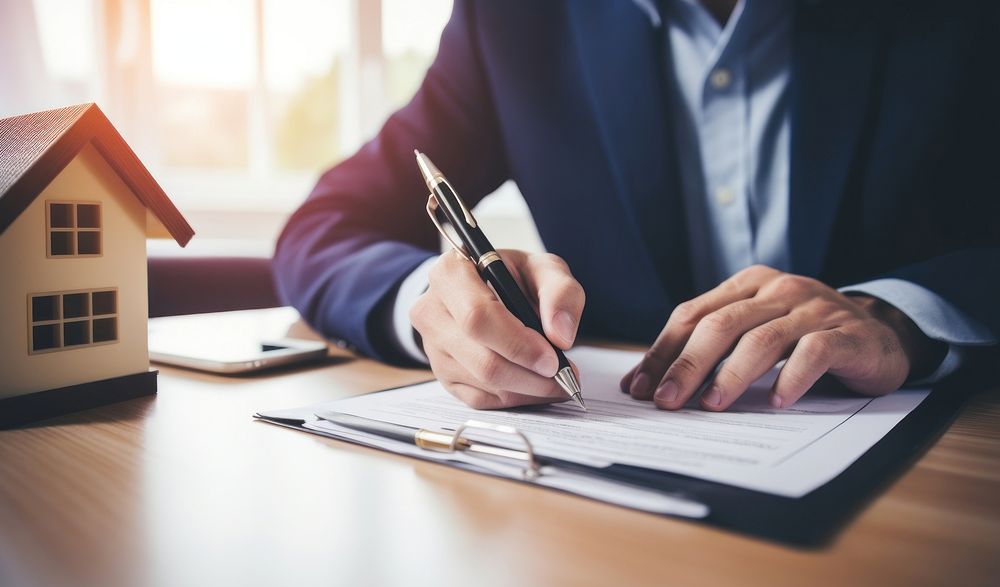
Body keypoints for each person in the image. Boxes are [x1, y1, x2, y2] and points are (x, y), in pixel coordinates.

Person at [273, 0, 999, 412]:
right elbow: (325, 228)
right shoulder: (514, 21)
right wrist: (436, 307)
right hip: (605, 504)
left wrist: (904, 314)